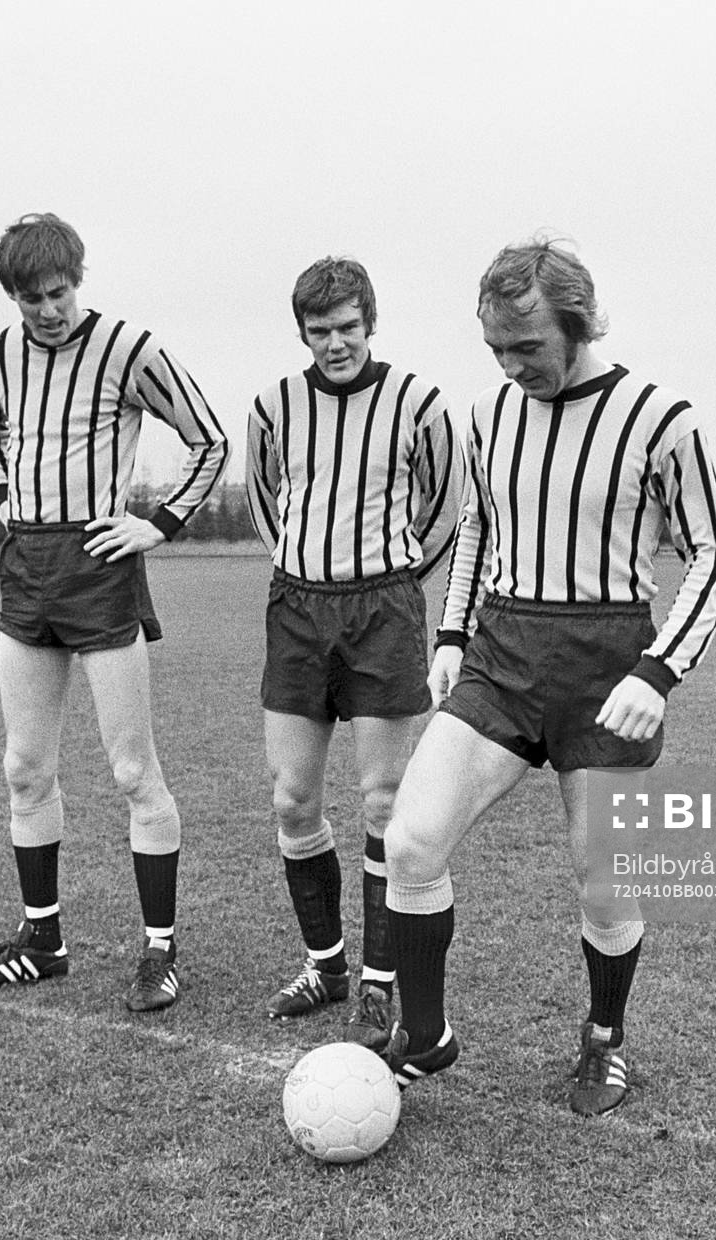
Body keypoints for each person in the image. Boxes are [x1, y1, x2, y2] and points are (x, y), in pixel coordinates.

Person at [368, 236, 716, 1116]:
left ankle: (604, 1040)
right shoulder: (490, 416)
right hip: (502, 655)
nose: (511, 364)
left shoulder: (660, 419)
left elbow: (714, 555)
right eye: (496, 348)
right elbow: (478, 533)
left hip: (607, 668)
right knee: (410, 844)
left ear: (580, 321)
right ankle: (427, 1032)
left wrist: (658, 671)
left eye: (527, 346)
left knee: (603, 881)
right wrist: (453, 631)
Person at [0, 213, 229, 1012]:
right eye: (32, 298)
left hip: (101, 565)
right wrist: (6, 498)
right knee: (23, 766)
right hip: (26, 568)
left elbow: (208, 439)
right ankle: (44, 942)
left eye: (60, 291)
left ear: (78, 278)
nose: (49, 309)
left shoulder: (127, 349)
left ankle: (160, 951)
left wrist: (160, 521)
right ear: (13, 296)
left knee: (132, 769)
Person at [245, 257, 466, 1047]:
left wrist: (394, 576)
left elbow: (445, 508)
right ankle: (324, 963)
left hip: (384, 608)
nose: (335, 344)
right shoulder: (273, 407)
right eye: (318, 332)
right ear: (301, 333)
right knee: (292, 798)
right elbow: (270, 503)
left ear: (370, 322)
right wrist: (306, 567)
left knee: (382, 800)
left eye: (347, 328)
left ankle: (379, 982)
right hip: (298, 609)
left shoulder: (421, 405)